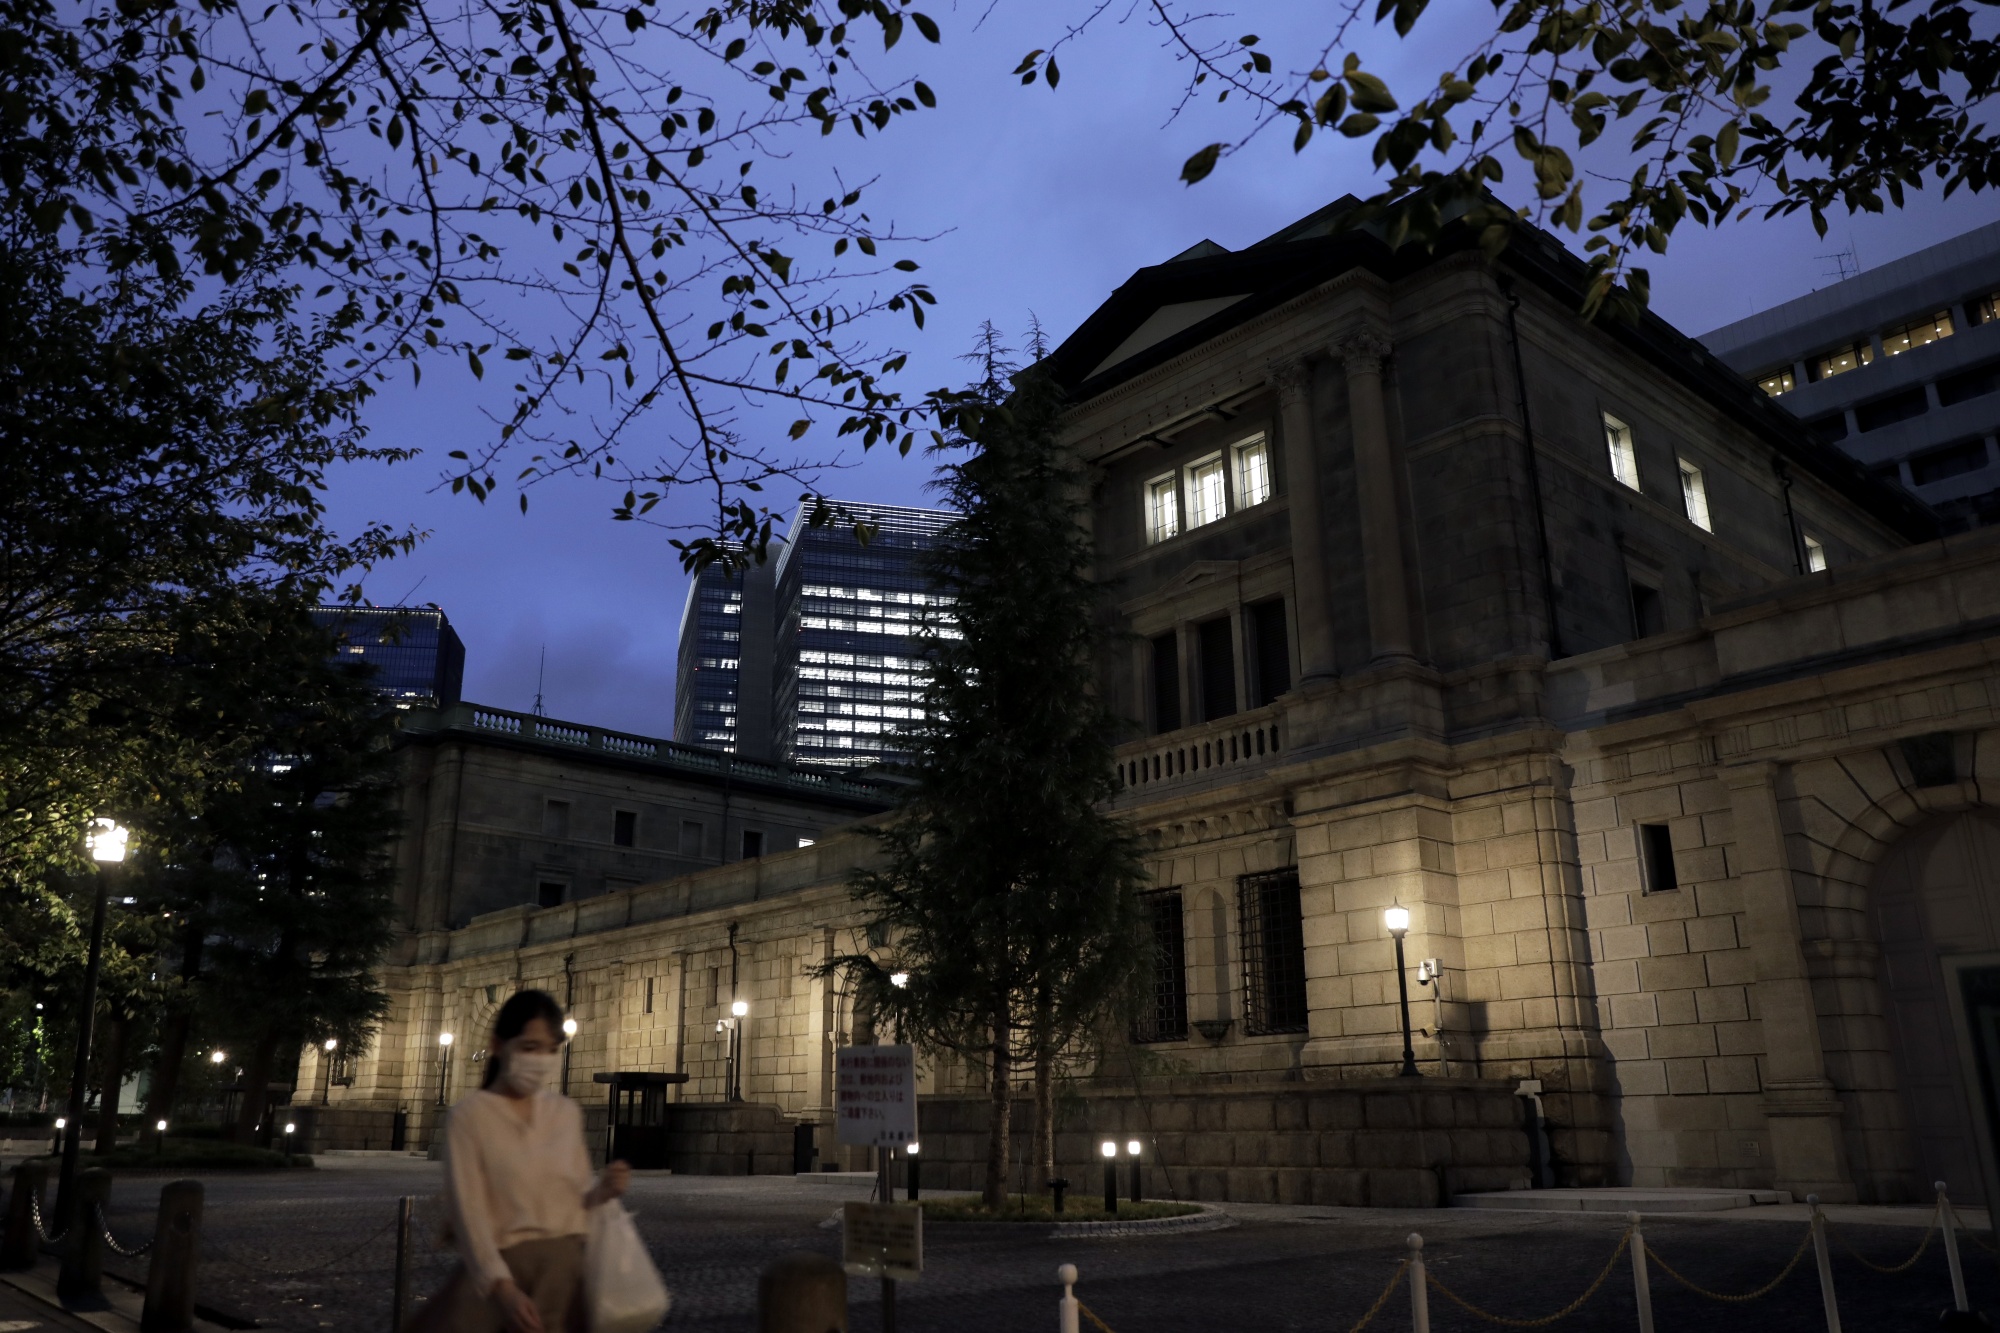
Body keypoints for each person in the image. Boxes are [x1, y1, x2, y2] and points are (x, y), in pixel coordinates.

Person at [415, 989, 632, 1333]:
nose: (540, 1060)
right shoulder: (470, 1116)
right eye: (530, 1047)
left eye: (550, 1050)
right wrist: (502, 1288)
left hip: (565, 1274)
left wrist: (604, 1190)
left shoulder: (564, 1113)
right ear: (500, 1046)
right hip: (502, 1273)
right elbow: (469, 1214)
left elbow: (576, 1204)